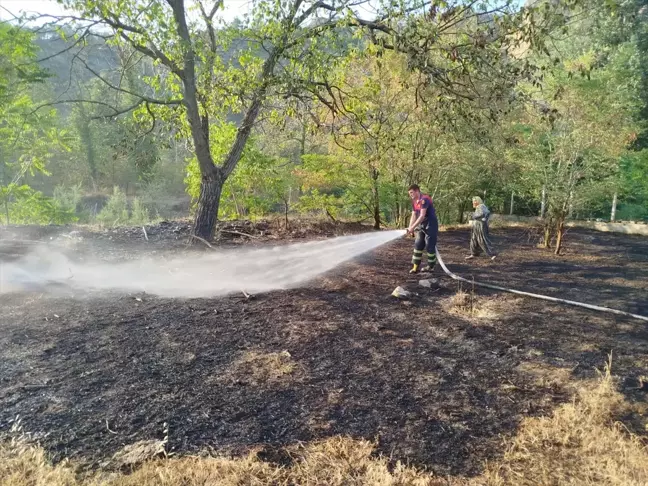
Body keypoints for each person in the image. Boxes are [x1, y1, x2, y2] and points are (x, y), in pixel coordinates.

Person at [406, 184, 439, 274]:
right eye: (409, 193)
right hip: (421, 225)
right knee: (418, 244)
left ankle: (431, 266)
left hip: (431, 224)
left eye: (412, 192)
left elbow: (421, 215)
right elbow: (413, 215)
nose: (411, 195)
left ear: (417, 191)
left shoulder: (424, 199)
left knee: (429, 245)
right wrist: (410, 228)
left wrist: (413, 227)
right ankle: (415, 267)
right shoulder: (414, 202)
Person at [466, 196, 496, 260]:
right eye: (473, 201)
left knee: (482, 239)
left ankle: (492, 254)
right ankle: (474, 254)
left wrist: (479, 217)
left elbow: (487, 212)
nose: (473, 202)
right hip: (476, 225)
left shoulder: (481, 206)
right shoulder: (478, 207)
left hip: (480, 225)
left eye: (474, 201)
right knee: (473, 239)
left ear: (477, 201)